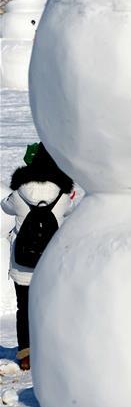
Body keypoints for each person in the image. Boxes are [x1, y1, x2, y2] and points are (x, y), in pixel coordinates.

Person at [2, 143, 76, 370]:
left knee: (23, 308)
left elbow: (4, 206)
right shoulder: (61, 195)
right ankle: (51, 353)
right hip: (50, 264)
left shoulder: (18, 194)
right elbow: (71, 208)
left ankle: (26, 355)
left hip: (23, 265)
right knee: (51, 307)